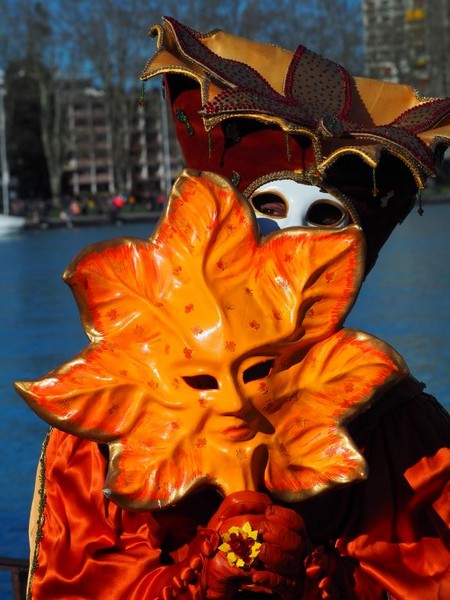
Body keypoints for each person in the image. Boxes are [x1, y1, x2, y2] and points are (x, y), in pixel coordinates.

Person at [16, 17, 450, 599]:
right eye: (267, 206)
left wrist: (318, 580)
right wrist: (195, 581)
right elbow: (79, 581)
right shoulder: (102, 430)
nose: (288, 242)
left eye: (324, 219)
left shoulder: (404, 431)